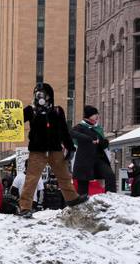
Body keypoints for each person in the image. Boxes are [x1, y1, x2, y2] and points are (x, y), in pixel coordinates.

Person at [18, 82, 88, 219]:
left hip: (55, 150)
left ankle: (72, 198)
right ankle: (25, 207)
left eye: (43, 93)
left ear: (49, 96)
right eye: (37, 93)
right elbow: (13, 120)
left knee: (64, 176)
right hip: (38, 151)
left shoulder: (57, 111)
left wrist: (70, 147)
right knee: (31, 179)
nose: (40, 96)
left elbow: (64, 130)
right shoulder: (30, 110)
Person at [71, 105, 117, 195]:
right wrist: (88, 139)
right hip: (84, 161)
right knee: (83, 186)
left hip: (98, 159)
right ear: (89, 115)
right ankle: (82, 204)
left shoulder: (98, 128)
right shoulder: (80, 127)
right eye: (95, 114)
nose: (97, 116)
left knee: (110, 175)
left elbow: (103, 143)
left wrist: (102, 141)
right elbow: (72, 133)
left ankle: (111, 197)